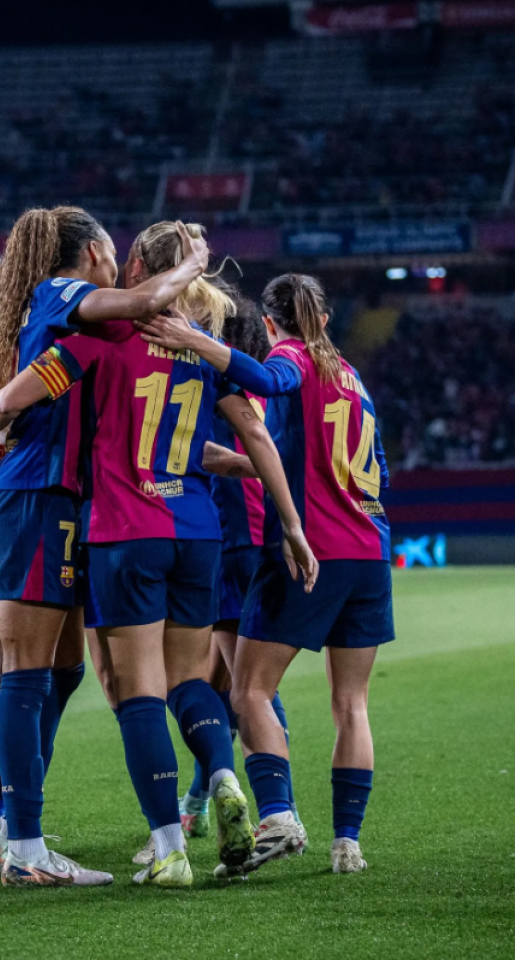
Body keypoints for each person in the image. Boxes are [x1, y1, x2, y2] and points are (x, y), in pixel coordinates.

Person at [0, 224, 319, 887]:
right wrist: (293, 522)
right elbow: (250, 430)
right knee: (190, 681)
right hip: (198, 529)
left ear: (134, 268)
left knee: (134, 693)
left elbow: (12, 399)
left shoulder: (99, 338)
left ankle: (167, 850)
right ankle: (223, 774)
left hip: (124, 527)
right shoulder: (201, 349)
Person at [0, 207, 213, 886]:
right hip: (39, 494)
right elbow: (140, 302)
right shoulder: (64, 293)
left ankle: (14, 827)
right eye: (112, 252)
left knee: (61, 669)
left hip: (64, 499)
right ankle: (23, 846)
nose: (120, 265)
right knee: (26, 671)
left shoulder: (88, 338)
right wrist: (192, 263)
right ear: (94, 251)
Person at [136, 272, 393, 876]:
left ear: (273, 323)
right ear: (324, 319)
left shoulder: (292, 359)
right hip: (371, 551)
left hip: (312, 550)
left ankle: (279, 817)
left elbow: (269, 379)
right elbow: (370, 469)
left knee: (249, 689)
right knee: (351, 703)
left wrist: (195, 341)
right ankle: (347, 844)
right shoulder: (352, 378)